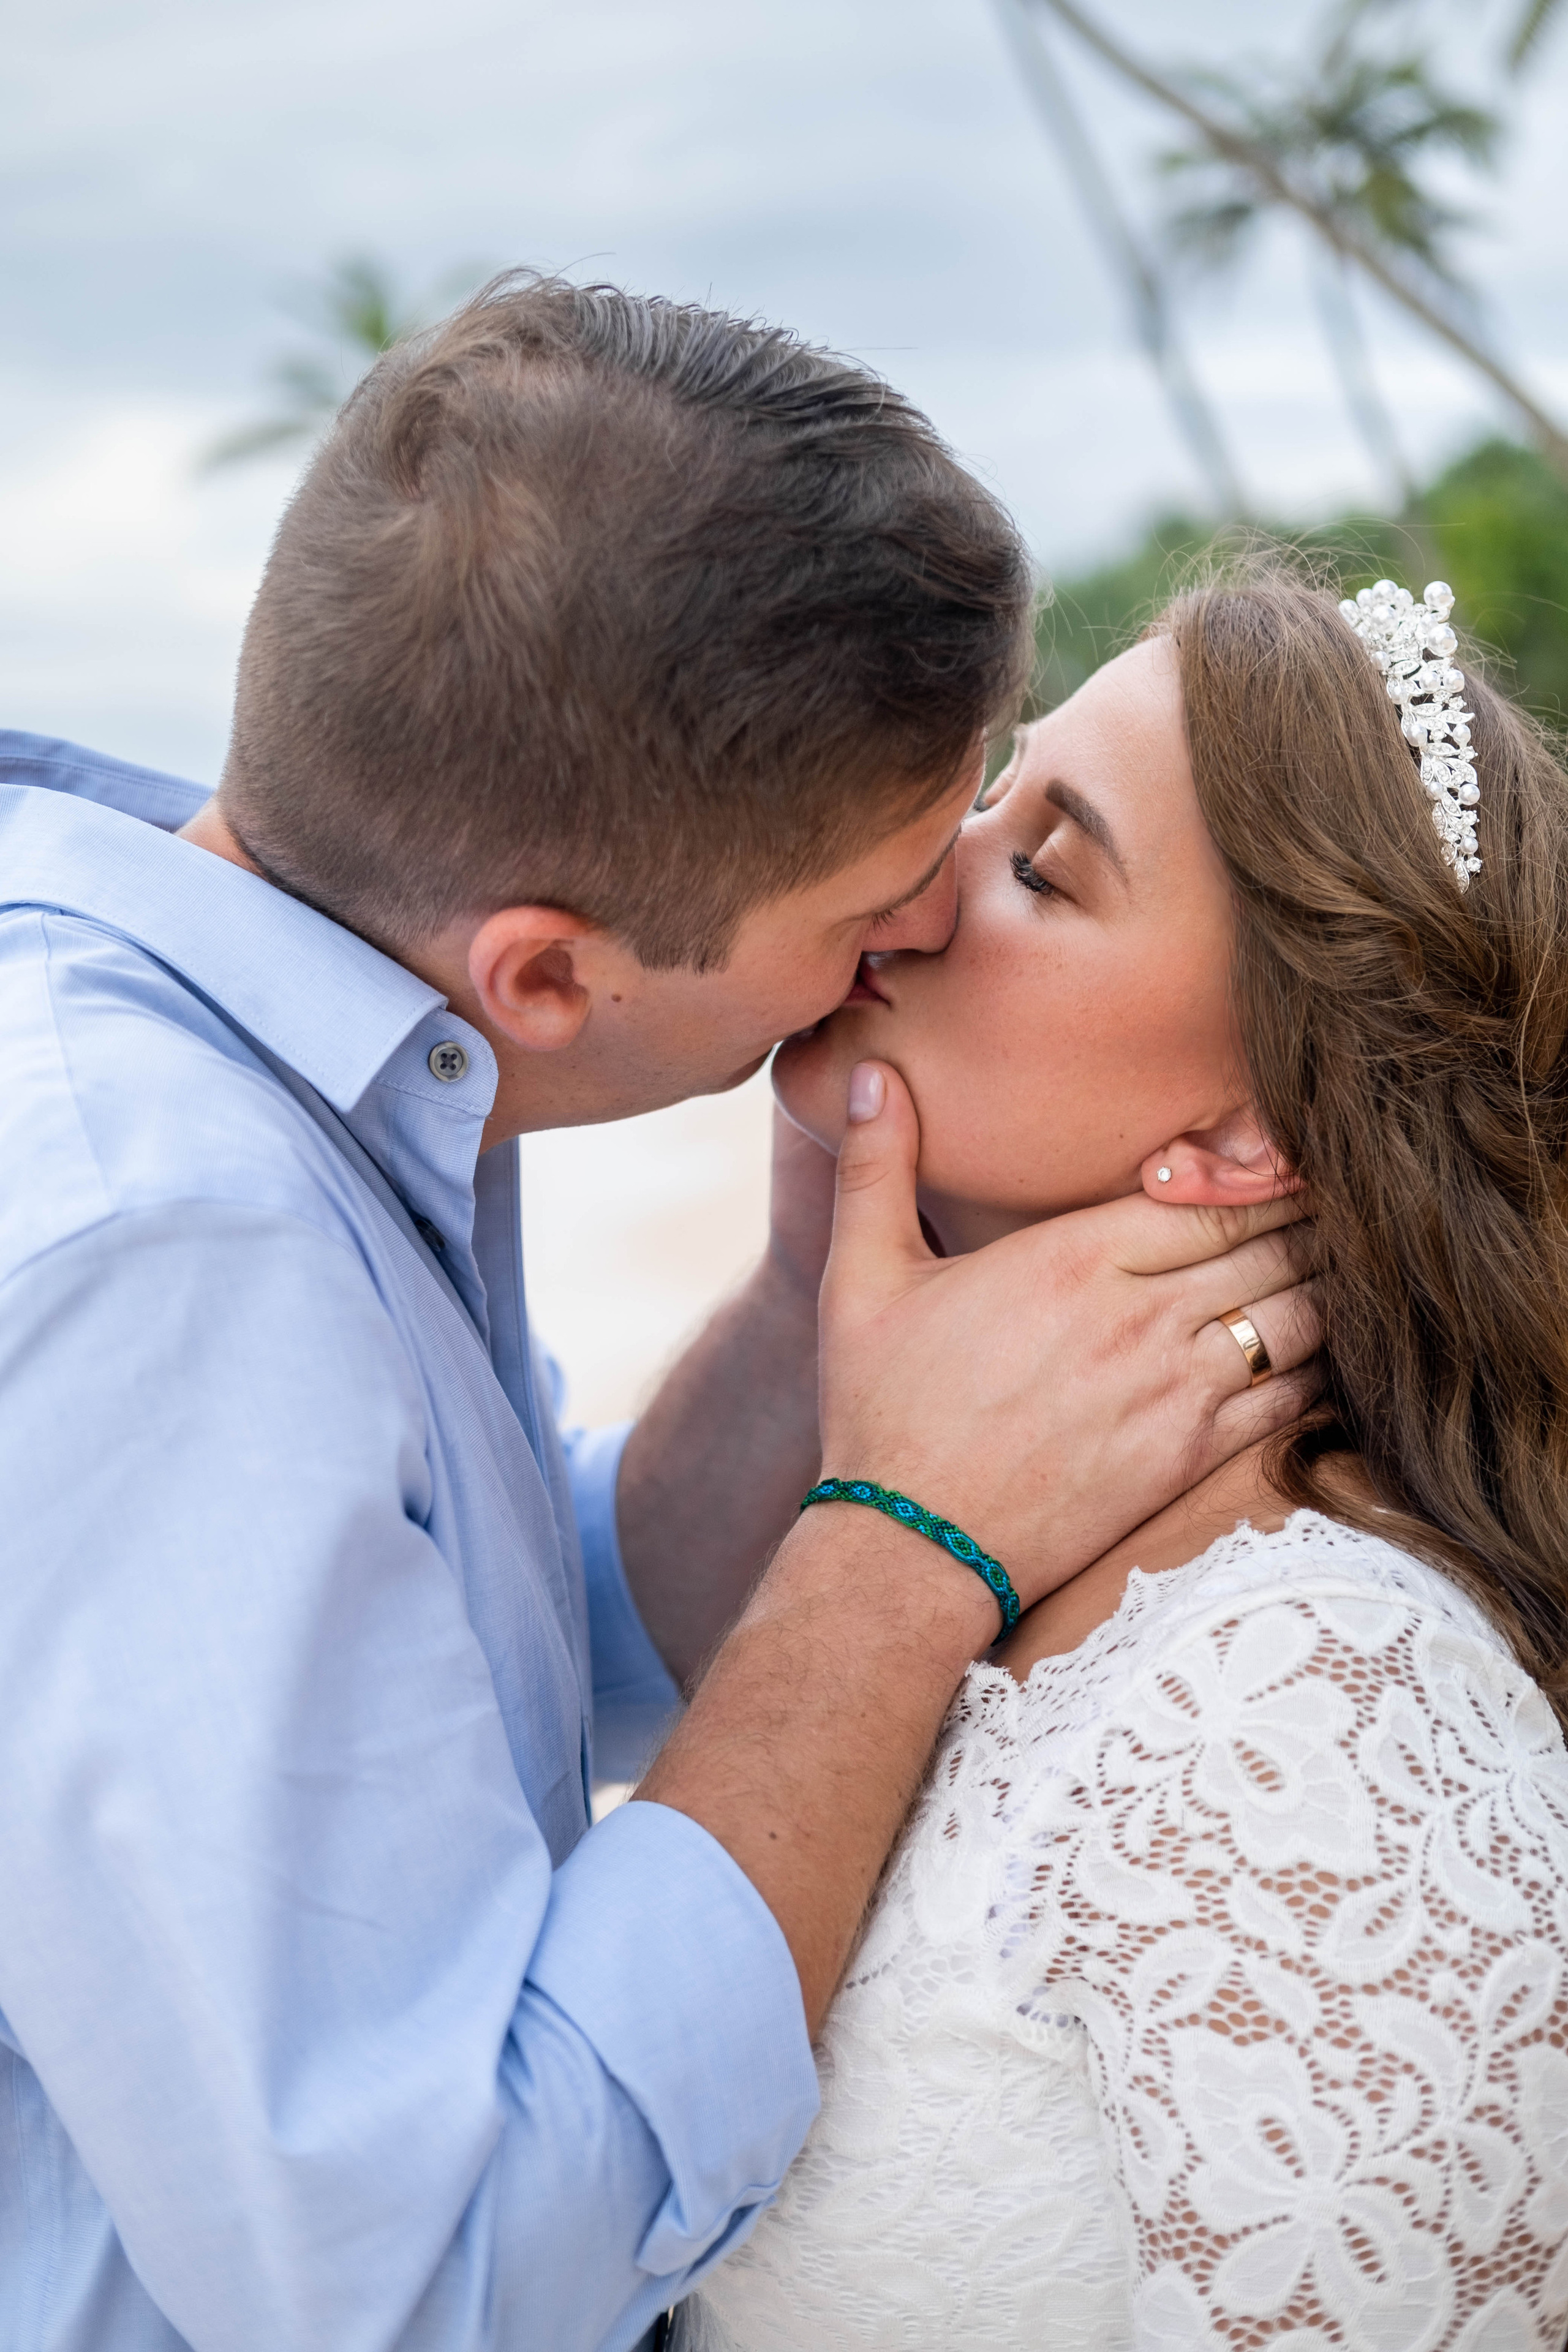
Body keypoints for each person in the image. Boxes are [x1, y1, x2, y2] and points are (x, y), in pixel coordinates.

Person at [0, 281, 1315, 2352]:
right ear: (548, 974)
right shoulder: (162, 1251)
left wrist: (811, 1308)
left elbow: (507, 1614)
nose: (917, 932)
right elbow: (442, 2282)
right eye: (867, 902)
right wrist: (897, 1560)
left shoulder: (327, 1040)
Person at [678, 566, 1568, 2352]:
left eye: (1038, 865)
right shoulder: (988, 1571)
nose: (919, 879)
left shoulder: (1315, 1715)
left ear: (1249, 1128)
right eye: (991, 792)